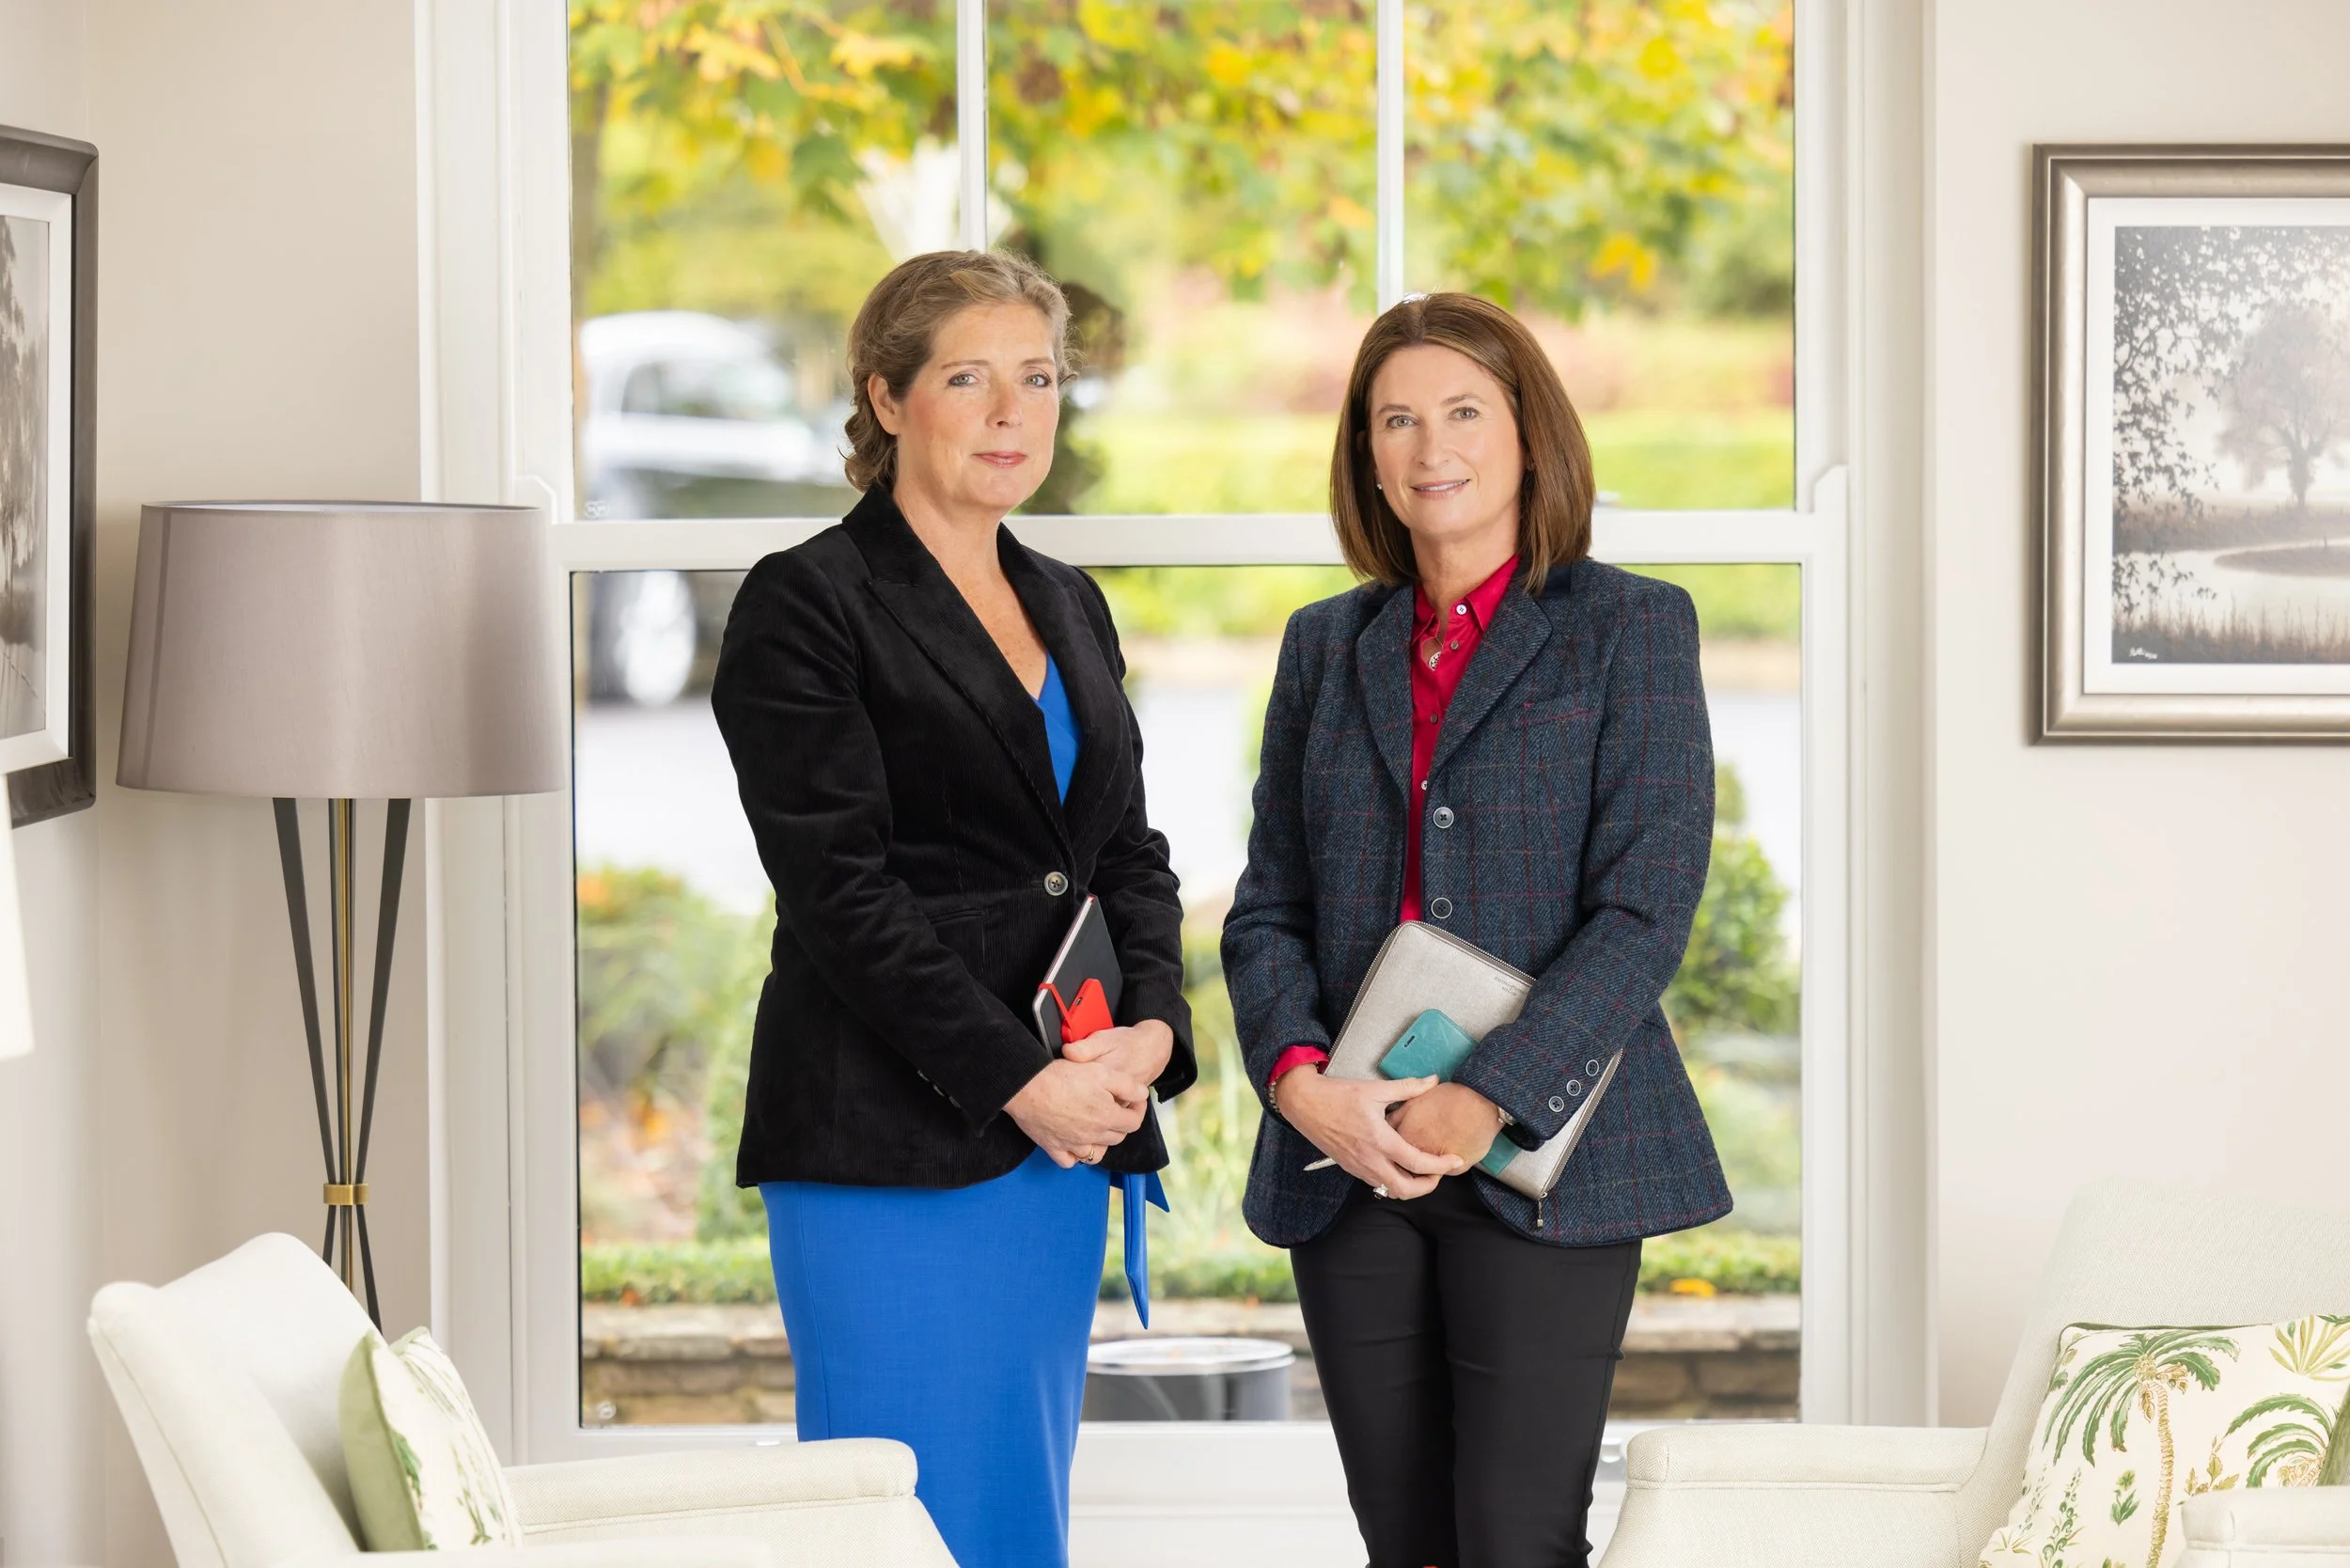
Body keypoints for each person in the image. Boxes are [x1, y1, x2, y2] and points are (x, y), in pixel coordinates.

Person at [1221, 291, 1731, 1568]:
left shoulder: (1631, 629)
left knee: (1516, 1540)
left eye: (1461, 412)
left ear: (1527, 437)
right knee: (1405, 1541)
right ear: (1366, 455)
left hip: (1544, 1154)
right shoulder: (1324, 647)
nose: (1427, 445)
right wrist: (1297, 1082)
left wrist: (1487, 1097)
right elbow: (1270, 900)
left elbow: (1644, 910)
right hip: (1353, 1157)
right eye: (1395, 419)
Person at [710, 249, 1194, 1568]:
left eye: (1036, 381)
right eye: (969, 379)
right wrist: (1020, 1081)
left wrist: (1148, 1037)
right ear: (885, 395)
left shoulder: (1067, 600)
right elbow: (839, 896)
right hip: (889, 1141)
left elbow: (1127, 856)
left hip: (1056, 1154)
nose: (1009, 415)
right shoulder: (806, 604)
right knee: (901, 1518)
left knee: (1015, 1504)